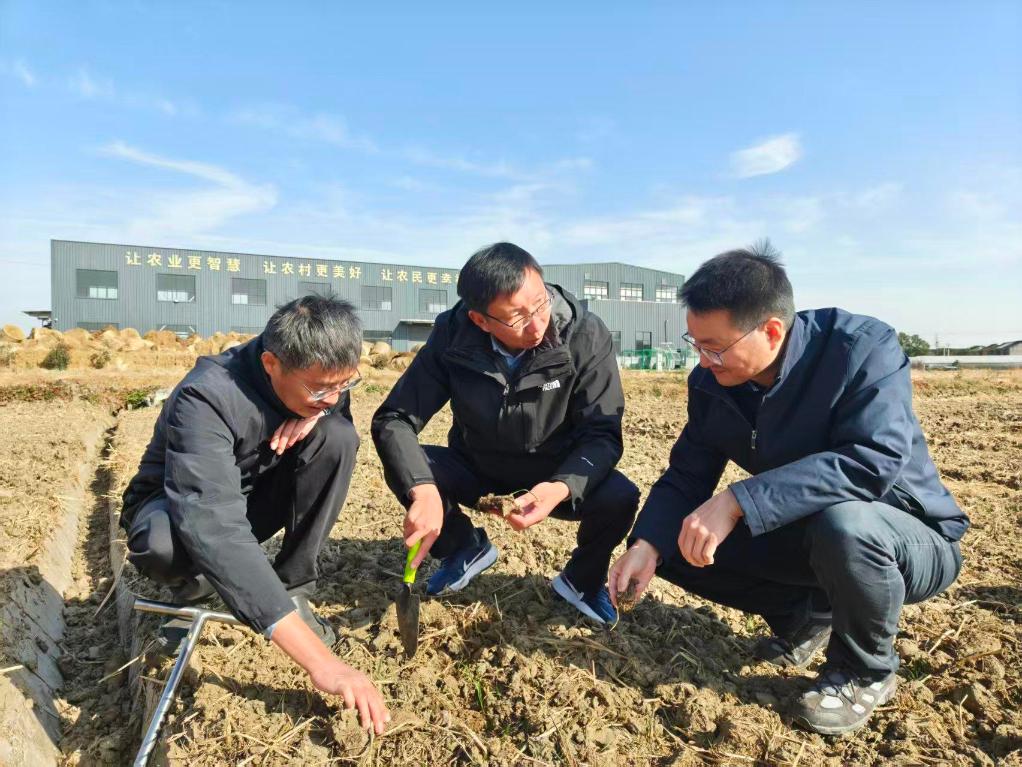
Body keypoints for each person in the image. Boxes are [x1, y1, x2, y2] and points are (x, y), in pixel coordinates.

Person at [609, 242, 968, 735]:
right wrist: (646, 543)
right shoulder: (714, 383)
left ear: (771, 330)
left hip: (904, 537)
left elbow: (873, 459)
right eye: (695, 344)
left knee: (845, 524)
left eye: (714, 347)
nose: (703, 360)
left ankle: (866, 669)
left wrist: (738, 500)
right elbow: (689, 472)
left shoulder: (860, 350)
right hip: (811, 534)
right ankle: (804, 615)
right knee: (675, 542)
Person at [120, 295, 389, 735]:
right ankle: (193, 593)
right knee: (163, 543)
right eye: (320, 389)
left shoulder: (318, 383)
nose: (333, 397)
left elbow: (333, 402)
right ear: (271, 362)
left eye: (344, 385)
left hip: (255, 494)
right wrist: (323, 665)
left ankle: (292, 588)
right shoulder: (207, 395)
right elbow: (212, 522)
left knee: (337, 438)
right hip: (177, 506)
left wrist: (320, 413)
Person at [372, 242, 640, 624]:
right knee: (408, 465)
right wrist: (423, 490)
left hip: (553, 474)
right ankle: (462, 547)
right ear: (481, 320)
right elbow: (395, 418)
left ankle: (581, 580)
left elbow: (602, 433)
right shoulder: (454, 334)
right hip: (478, 467)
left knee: (620, 496)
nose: (537, 323)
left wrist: (560, 487)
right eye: (517, 318)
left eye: (540, 303)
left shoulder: (583, 334)